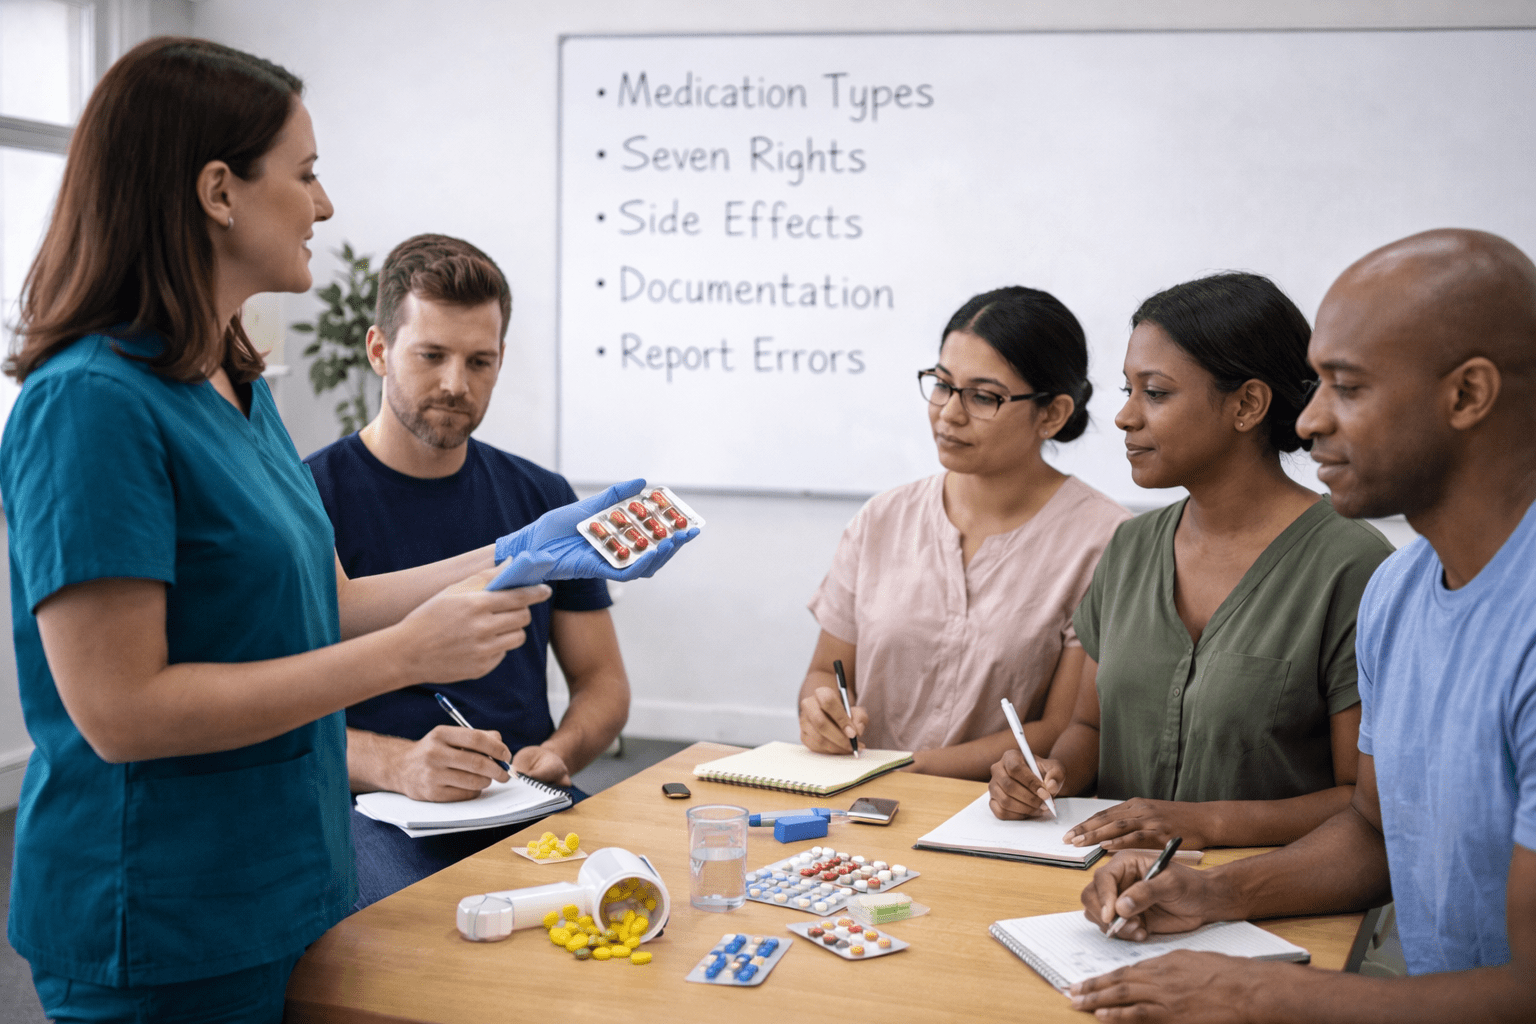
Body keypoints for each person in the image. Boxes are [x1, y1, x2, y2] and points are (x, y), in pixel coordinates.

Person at [0, 38, 687, 1021]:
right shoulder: (91, 406)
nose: (325, 205)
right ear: (217, 191)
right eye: (307, 173)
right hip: (158, 912)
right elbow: (123, 711)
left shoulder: (233, 382)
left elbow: (325, 601)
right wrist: (405, 656)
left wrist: (524, 551)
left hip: (282, 881)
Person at [1069, 229, 1536, 1021]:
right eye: (1315, 385)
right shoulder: (1398, 591)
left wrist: (1260, 990)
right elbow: (1370, 830)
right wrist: (1211, 892)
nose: (1310, 420)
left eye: (1346, 387)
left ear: (1467, 396)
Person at [989, 273, 1394, 853]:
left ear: (1248, 404)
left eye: (1154, 393)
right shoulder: (1130, 548)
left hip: (1274, 904)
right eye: (1127, 390)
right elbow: (1089, 729)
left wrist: (1205, 824)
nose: (1126, 417)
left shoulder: (1351, 565)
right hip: (1110, 891)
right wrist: (1046, 775)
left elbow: (1360, 800)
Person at [305, 234, 629, 908]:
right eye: (432, 356)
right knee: (430, 948)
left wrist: (560, 751)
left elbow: (602, 682)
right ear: (378, 350)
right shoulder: (307, 500)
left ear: (501, 361)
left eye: (479, 361)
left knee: (642, 908)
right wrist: (394, 764)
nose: (457, 383)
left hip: (520, 793)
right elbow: (268, 709)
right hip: (378, 807)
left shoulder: (541, 498)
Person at [799, 287, 1131, 779]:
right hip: (860, 805)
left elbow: (1060, 729)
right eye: (941, 384)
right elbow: (826, 672)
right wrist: (821, 714)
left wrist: (906, 769)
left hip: (997, 820)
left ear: (1052, 413)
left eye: (982, 397)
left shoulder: (1106, 540)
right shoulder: (882, 519)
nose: (949, 413)